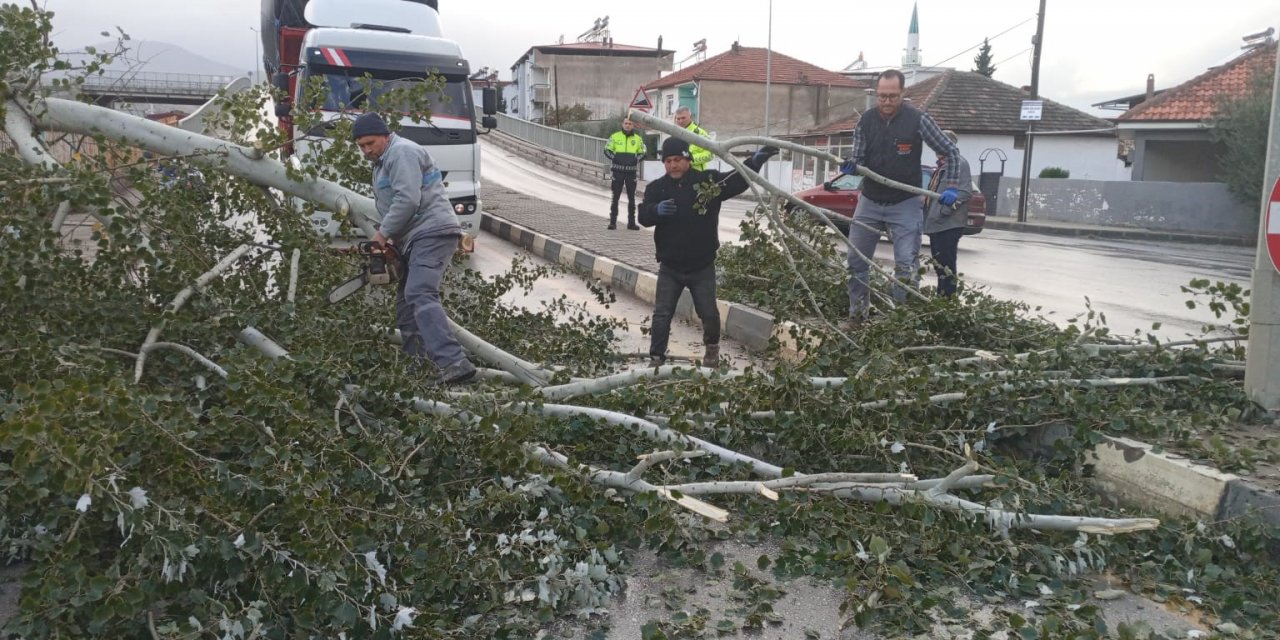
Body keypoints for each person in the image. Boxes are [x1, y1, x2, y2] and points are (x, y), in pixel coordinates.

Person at [353, 112, 477, 385]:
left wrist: (382, 235)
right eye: (361, 146)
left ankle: (454, 362)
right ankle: (418, 369)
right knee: (406, 305)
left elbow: (408, 200)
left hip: (431, 231)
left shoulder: (402, 153)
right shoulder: (382, 162)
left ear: (385, 135)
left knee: (419, 291)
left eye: (370, 143)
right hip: (414, 237)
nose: (366, 150)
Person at [638, 137, 777, 368]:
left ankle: (711, 350)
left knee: (709, 314)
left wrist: (754, 162)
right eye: (669, 161)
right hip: (670, 268)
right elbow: (642, 216)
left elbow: (735, 182)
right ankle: (656, 358)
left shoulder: (707, 182)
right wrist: (655, 210)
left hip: (701, 267)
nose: (673, 165)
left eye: (678, 159)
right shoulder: (657, 188)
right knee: (662, 314)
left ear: (688, 160)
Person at [839, 69, 961, 322]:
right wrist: (852, 165)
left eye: (892, 96)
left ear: (903, 93)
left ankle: (898, 322)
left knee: (906, 267)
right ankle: (857, 316)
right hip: (870, 201)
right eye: (882, 96)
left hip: (905, 203)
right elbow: (859, 156)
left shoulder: (918, 120)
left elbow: (950, 151)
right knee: (856, 262)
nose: (886, 101)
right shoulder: (866, 121)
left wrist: (952, 185)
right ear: (877, 95)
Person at [922, 130, 972, 297]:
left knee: (946, 266)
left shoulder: (958, 163)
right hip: (936, 223)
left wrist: (944, 211)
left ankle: (947, 301)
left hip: (948, 224)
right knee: (939, 265)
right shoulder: (942, 165)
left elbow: (964, 192)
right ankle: (941, 298)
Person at [604, 117, 646, 230]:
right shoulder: (615, 136)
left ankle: (631, 223)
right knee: (615, 197)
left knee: (631, 198)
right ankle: (613, 222)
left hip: (631, 172)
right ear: (622, 124)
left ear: (633, 126)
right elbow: (607, 150)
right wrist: (615, 158)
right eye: (626, 123)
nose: (627, 125)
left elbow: (643, 152)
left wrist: (635, 160)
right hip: (617, 172)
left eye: (630, 124)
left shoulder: (638, 139)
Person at [673, 106, 714, 171]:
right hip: (679, 175)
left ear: (690, 117)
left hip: (697, 176)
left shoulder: (701, 133)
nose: (680, 121)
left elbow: (710, 155)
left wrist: (689, 160)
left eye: (683, 118)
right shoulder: (674, 135)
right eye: (678, 119)